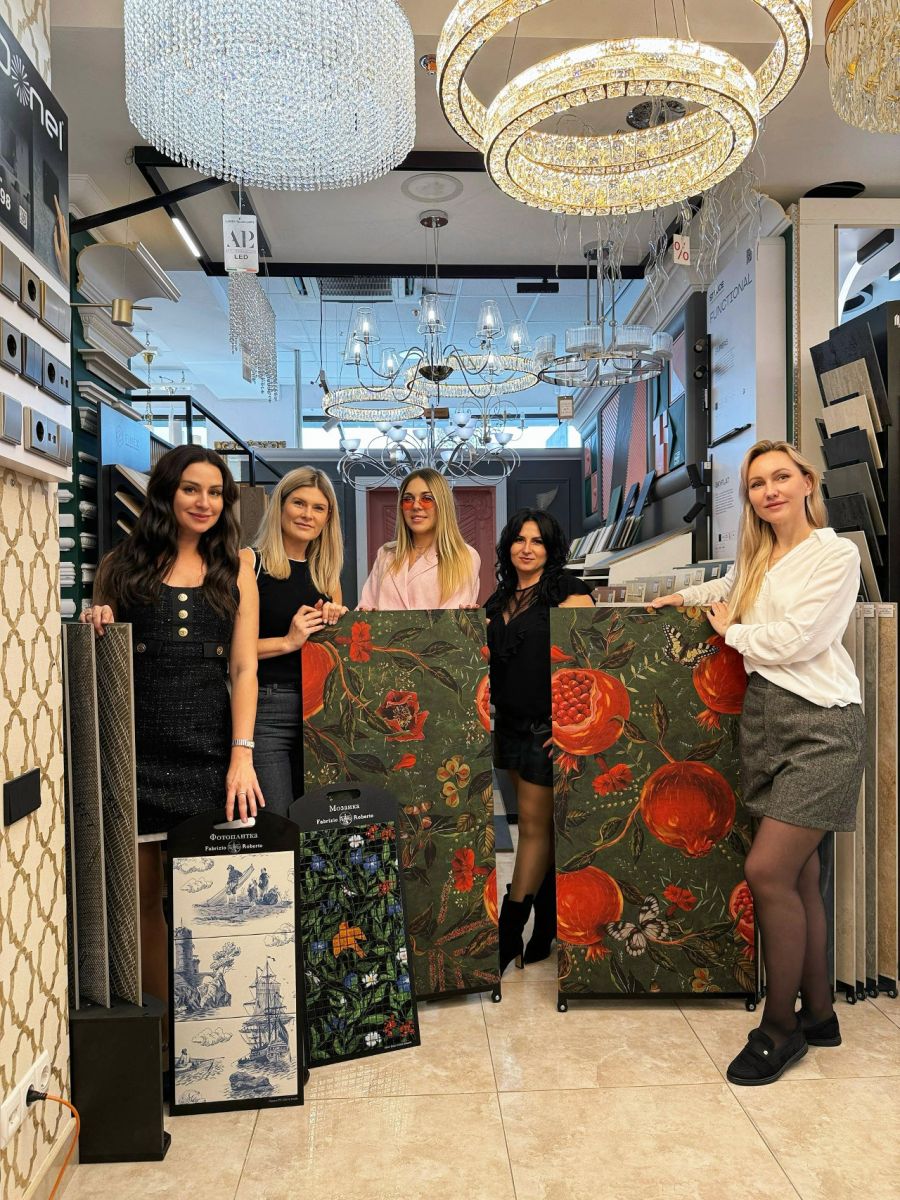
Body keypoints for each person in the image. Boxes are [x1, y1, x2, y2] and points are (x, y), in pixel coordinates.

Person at [652, 439, 864, 1086]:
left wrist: (732, 632)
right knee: (800, 876)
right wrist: (683, 598)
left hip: (822, 726)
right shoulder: (759, 554)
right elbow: (732, 587)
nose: (769, 490)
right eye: (756, 483)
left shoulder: (835, 554)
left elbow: (801, 639)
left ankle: (779, 1029)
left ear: (807, 483)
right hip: (767, 722)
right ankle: (820, 1014)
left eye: (780, 477)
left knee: (766, 870)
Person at [84, 444, 262, 1047]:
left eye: (215, 492)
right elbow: (101, 654)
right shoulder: (121, 565)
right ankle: (163, 1048)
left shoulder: (236, 567)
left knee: (206, 902)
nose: (204, 502)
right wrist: (95, 625)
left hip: (211, 755)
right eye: (191, 489)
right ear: (166, 492)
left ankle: (216, 1043)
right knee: (141, 906)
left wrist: (242, 754)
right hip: (134, 753)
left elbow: (244, 668)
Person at [485, 508, 594, 973]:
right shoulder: (499, 597)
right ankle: (545, 926)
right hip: (507, 725)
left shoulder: (569, 592)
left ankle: (510, 930)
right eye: (519, 539)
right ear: (508, 545)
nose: (527, 549)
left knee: (530, 829)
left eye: (537, 541)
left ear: (551, 550)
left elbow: (591, 661)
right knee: (539, 829)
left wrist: (568, 726)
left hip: (545, 731)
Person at [251, 466, 347, 813]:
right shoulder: (250, 564)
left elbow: (334, 652)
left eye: (318, 507)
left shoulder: (327, 575)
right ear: (280, 506)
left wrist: (339, 623)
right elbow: (227, 650)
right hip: (267, 710)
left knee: (321, 824)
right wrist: (288, 641)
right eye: (299, 503)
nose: (308, 514)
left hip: (323, 711)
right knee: (278, 822)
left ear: (327, 518)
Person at [358, 468, 481, 609]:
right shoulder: (386, 554)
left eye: (427, 499)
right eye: (408, 499)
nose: (416, 506)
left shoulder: (464, 556)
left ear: (443, 504)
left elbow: (450, 619)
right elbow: (365, 608)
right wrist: (360, 615)